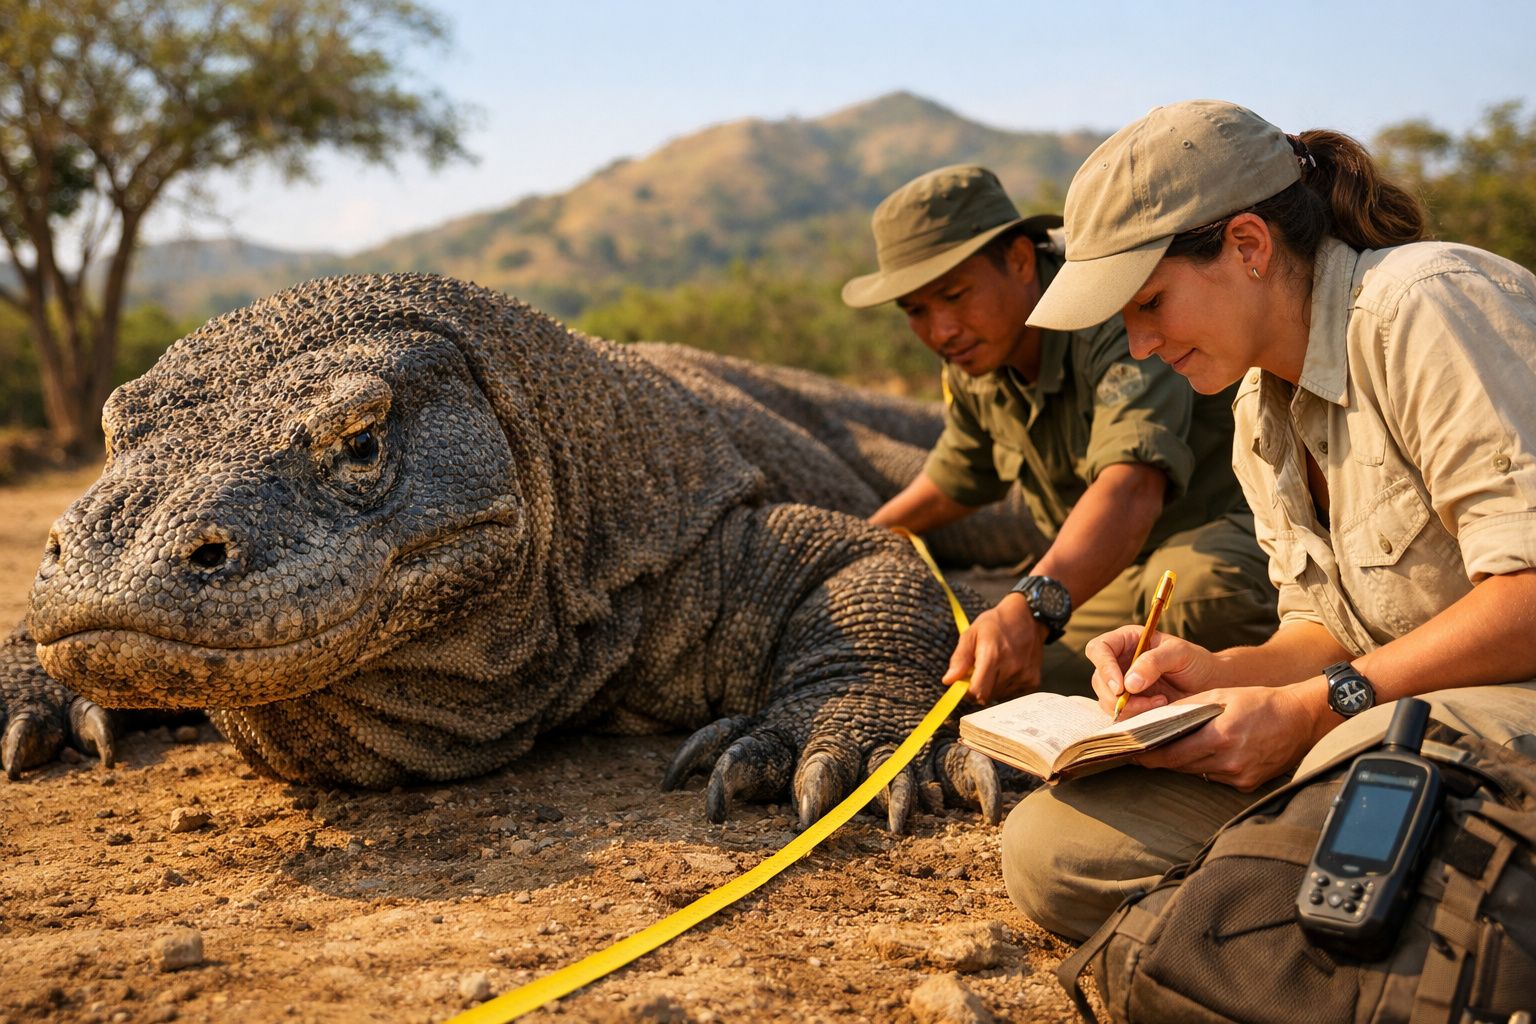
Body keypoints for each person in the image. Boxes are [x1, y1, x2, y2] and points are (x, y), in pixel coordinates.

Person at [1003, 99, 1536, 941]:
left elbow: (1528, 595)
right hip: (1388, 724)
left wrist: (1321, 708)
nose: (1141, 346)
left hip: (1495, 715)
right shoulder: (1259, 406)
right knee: (1057, 846)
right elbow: (1323, 630)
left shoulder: (1427, 306)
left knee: (1341, 773)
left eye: (1151, 303)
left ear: (1248, 246)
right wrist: (1213, 679)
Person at [842, 164, 1276, 704]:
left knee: (1201, 593)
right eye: (916, 311)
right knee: (972, 664)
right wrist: (848, 547)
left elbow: (1133, 484)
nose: (940, 331)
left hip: (1223, 544)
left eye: (955, 295)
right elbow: (956, 476)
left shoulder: (1109, 313)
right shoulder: (977, 356)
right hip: (1106, 576)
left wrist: (1033, 605)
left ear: (1021, 260)